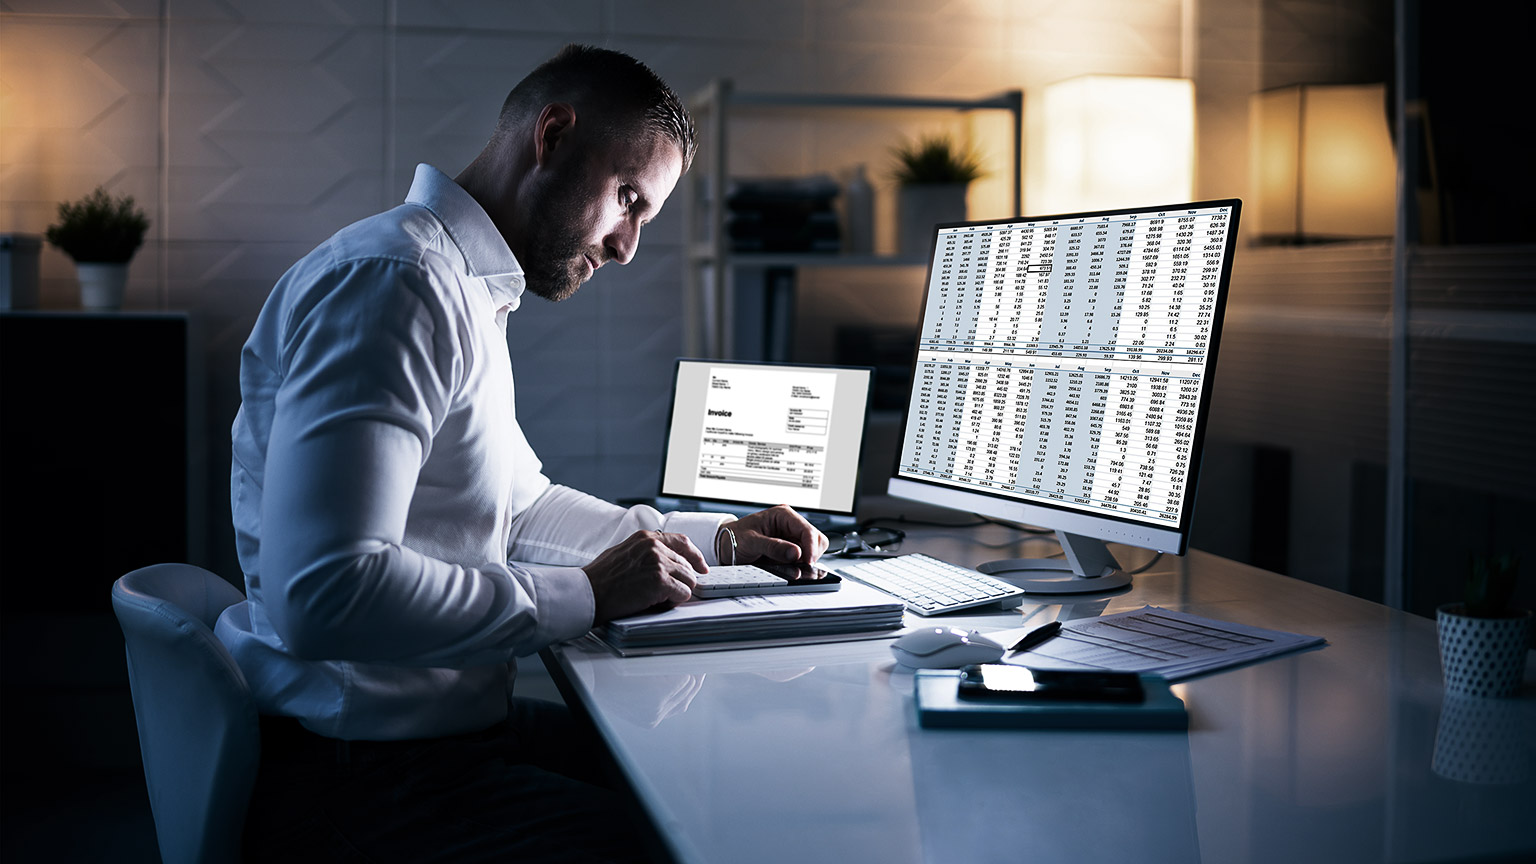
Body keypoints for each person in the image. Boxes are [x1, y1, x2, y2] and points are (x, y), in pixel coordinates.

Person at [217, 44, 828, 862]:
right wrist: (583, 594)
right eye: (628, 199)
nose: (627, 246)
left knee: (714, 782)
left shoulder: (459, 286)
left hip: (426, 746)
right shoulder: (397, 283)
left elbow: (521, 506)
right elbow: (321, 593)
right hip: (356, 777)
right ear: (552, 137)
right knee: (689, 836)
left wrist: (714, 543)